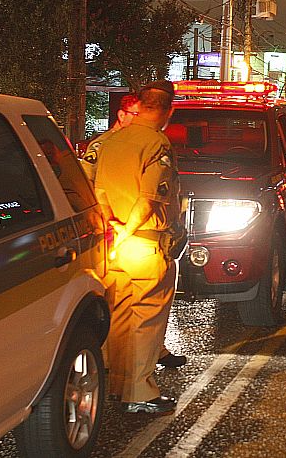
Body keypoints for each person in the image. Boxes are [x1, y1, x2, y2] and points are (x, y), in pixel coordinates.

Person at [92, 80, 183, 414]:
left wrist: (112, 227)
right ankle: (139, 393)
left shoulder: (111, 140)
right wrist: (129, 231)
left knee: (117, 316)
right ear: (167, 111)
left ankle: (115, 384)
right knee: (146, 320)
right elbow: (148, 200)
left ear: (140, 106)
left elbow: (96, 188)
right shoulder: (156, 143)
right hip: (143, 245)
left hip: (111, 245)